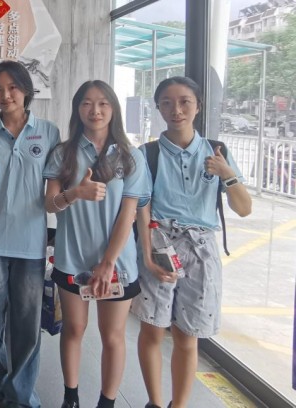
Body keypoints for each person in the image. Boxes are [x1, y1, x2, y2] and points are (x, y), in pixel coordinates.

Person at [131, 77, 251, 408]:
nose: (176, 110)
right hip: (160, 244)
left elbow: (244, 208)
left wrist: (227, 173)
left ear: (198, 106)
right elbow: (142, 208)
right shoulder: (148, 154)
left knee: (188, 335)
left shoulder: (217, 152)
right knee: (152, 330)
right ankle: (155, 402)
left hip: (201, 249)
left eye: (185, 101)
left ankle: (179, 404)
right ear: (158, 108)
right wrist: (147, 255)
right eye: (167, 103)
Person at [43, 80, 150, 408]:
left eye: (103, 103)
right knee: (74, 329)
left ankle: (107, 402)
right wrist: (75, 193)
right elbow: (49, 205)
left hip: (117, 264)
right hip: (72, 258)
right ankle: (71, 398)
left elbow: (128, 214)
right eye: (87, 103)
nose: (95, 110)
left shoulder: (130, 157)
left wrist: (107, 263)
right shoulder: (63, 153)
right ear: (77, 109)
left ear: (113, 109)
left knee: (113, 336)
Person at [0, 61, 60, 408]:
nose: (5, 95)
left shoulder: (48, 133)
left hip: (30, 244)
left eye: (12, 87)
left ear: (26, 90)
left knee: (26, 323)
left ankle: (21, 393)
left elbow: (53, 193)